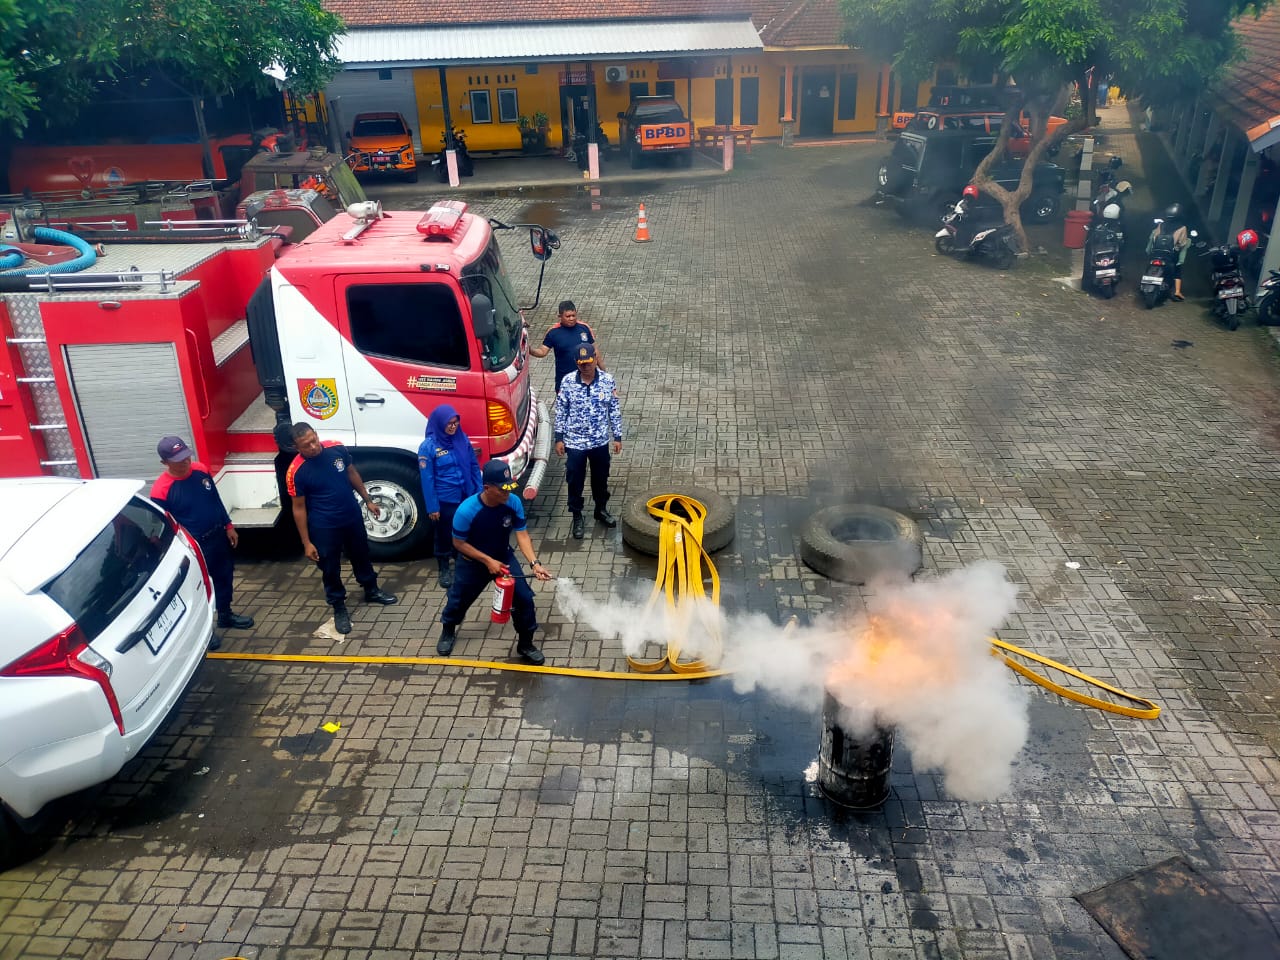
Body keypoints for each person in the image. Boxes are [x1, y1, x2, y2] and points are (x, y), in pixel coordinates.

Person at [437, 459, 553, 664]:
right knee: (459, 599)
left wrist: (535, 564)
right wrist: (487, 560)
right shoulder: (466, 511)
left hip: (503, 557)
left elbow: (522, 535)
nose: (507, 494)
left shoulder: (513, 503)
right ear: (487, 488)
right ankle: (448, 629)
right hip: (472, 562)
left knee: (524, 598)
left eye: (509, 489)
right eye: (502, 490)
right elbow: (458, 543)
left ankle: (526, 643)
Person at [285, 423, 397, 635]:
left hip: (351, 516)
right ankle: (338, 606)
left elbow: (352, 473)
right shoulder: (296, 472)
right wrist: (306, 543)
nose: (313, 446)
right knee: (330, 567)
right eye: (306, 445)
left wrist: (368, 500)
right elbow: (298, 508)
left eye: (313, 439)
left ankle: (371, 590)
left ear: (317, 434)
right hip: (324, 525)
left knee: (362, 554)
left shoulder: (336, 449)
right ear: (296, 447)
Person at [150, 435, 253, 648]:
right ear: (165, 463)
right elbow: (165, 527)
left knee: (225, 577)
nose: (185, 462)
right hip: (195, 547)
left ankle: (225, 614)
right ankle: (204, 631)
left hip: (217, 537)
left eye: (186, 457)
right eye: (178, 460)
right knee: (202, 587)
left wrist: (229, 525)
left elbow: (215, 499)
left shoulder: (200, 470)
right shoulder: (161, 491)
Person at [553, 342, 623, 540]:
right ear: (576, 362)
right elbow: (561, 411)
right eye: (581, 363)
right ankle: (577, 515)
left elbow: (614, 410)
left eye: (589, 362)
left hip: (599, 441)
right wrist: (559, 438)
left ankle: (600, 509)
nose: (586, 366)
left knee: (601, 478)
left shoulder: (608, 381)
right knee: (575, 480)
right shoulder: (567, 382)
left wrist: (617, 436)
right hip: (575, 442)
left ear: (595, 359)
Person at [418, 403, 482, 590]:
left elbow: (473, 467)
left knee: (465, 531)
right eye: (449, 424)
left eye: (455, 423)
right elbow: (427, 479)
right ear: (439, 424)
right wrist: (433, 507)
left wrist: (478, 493)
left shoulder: (462, 439)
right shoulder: (428, 447)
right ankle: (444, 567)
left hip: (466, 496)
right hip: (445, 501)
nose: (453, 427)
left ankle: (462, 561)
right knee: (444, 535)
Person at [527, 300, 606, 392]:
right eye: (568, 316)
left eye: (573, 315)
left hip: (587, 379)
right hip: (564, 381)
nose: (571, 318)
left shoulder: (584, 328)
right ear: (560, 316)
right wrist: (530, 350)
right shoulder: (553, 332)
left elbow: (596, 352)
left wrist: (603, 374)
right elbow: (542, 352)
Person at [1147, 203, 1191, 301]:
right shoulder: (1182, 227)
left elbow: (1154, 237)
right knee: (1177, 270)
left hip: (1157, 252)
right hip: (1170, 254)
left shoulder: (1161, 225)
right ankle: (1177, 291)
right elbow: (1182, 243)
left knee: (1150, 263)